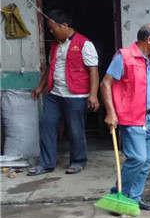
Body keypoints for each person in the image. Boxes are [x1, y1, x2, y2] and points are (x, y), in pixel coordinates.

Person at [99, 24, 150, 211]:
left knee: (147, 161)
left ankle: (135, 197)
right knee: (138, 158)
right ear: (149, 40)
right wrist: (110, 112)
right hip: (132, 118)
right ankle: (118, 194)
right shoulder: (124, 57)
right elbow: (105, 84)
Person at [29, 10, 100, 176]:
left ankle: (78, 161)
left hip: (76, 95)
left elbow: (93, 71)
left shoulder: (85, 44)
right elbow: (50, 67)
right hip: (55, 94)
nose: (51, 32)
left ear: (65, 26)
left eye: (53, 28)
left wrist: (93, 94)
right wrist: (40, 87)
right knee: (46, 125)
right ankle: (46, 164)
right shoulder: (54, 45)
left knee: (76, 130)